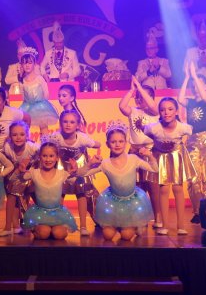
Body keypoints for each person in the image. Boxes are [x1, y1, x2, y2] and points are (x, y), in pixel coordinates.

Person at [79, 122, 157, 241]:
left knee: (126, 236)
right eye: (113, 142)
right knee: (108, 235)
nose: (117, 144)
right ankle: (120, 225)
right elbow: (82, 174)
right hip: (113, 202)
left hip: (131, 202)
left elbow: (154, 169)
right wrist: (89, 164)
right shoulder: (105, 163)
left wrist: (149, 156)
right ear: (107, 144)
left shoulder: (133, 159)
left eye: (121, 141)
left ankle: (133, 226)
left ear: (125, 142)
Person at [144, 98, 196, 236]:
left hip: (176, 157)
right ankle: (164, 225)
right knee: (164, 189)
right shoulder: (153, 128)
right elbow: (146, 133)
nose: (166, 112)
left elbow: (190, 132)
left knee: (178, 188)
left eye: (170, 109)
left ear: (176, 111)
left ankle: (181, 225)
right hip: (161, 157)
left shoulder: (183, 128)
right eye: (162, 110)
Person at [46, 109, 101, 236]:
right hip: (62, 166)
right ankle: (57, 222)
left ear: (77, 125)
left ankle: (83, 226)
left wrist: (97, 145)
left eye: (72, 122)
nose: (68, 125)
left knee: (81, 194)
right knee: (59, 193)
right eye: (65, 122)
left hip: (79, 166)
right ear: (60, 123)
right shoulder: (56, 137)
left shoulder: (82, 138)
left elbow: (97, 144)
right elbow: (45, 146)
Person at [177, 62, 206, 224]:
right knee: (193, 179)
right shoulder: (190, 102)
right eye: (193, 86)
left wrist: (195, 75)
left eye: (199, 85)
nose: (195, 88)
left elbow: (205, 96)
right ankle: (197, 211)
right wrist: (187, 77)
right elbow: (180, 99)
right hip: (192, 141)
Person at [118, 75, 161, 227]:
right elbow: (122, 106)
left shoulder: (155, 112)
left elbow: (153, 105)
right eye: (138, 97)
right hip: (134, 152)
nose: (139, 99)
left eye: (142, 97)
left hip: (149, 152)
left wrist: (141, 88)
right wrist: (132, 91)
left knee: (153, 187)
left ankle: (158, 218)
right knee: (137, 186)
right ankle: (140, 218)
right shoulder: (133, 111)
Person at [21, 142, 78, 240]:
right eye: (44, 156)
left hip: (57, 213)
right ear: (40, 157)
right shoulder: (34, 173)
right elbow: (19, 178)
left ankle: (53, 229)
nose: (48, 159)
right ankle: (39, 229)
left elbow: (73, 179)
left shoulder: (61, 174)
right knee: (44, 233)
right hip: (40, 213)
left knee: (59, 234)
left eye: (51, 156)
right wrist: (20, 170)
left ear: (57, 158)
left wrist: (75, 171)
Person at [0, 121, 39, 236]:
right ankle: (10, 226)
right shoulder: (8, 147)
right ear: (10, 136)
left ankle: (41, 222)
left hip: (31, 174)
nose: (18, 137)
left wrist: (32, 166)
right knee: (11, 193)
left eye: (22, 134)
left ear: (27, 136)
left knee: (33, 197)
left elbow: (43, 154)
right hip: (17, 173)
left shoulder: (32, 147)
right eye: (14, 134)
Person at [18, 47, 59, 135]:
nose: (27, 65)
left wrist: (41, 104)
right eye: (24, 63)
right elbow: (23, 97)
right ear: (22, 65)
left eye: (30, 63)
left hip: (40, 106)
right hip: (27, 106)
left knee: (43, 127)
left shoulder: (39, 78)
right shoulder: (22, 81)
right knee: (24, 127)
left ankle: (45, 142)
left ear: (34, 64)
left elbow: (46, 93)